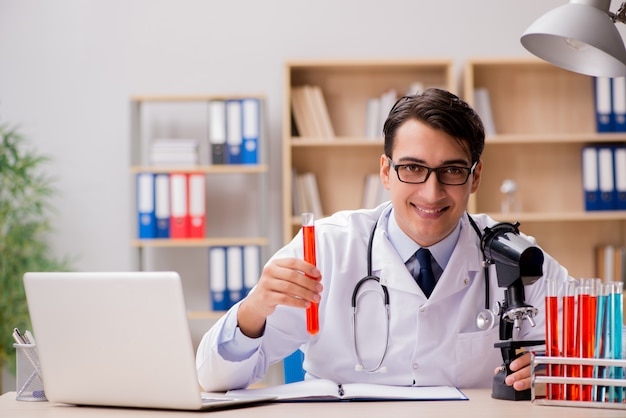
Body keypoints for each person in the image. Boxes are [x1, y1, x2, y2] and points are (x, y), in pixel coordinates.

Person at [196, 88, 571, 392]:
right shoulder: (327, 248)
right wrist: (253, 311)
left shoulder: (517, 256)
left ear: (475, 177)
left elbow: (596, 354)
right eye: (412, 168)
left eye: (452, 170)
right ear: (385, 172)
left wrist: (553, 373)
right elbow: (215, 379)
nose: (431, 192)